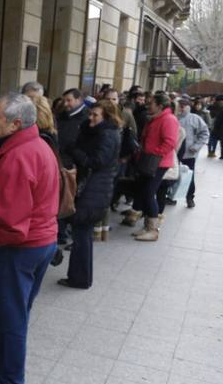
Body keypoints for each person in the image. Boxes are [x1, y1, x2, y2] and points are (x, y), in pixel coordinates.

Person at [0, 93, 59, 384]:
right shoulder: (31, 146)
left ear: (16, 123)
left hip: (17, 249)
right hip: (37, 242)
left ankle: (10, 382)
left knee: (10, 316)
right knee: (16, 312)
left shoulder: (19, 157)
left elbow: (10, 224)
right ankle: (7, 353)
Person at [59, 102, 120, 289]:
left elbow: (97, 162)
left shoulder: (108, 135)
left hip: (94, 190)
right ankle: (79, 277)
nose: (90, 118)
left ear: (106, 117)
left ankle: (80, 278)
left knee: (82, 234)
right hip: (91, 188)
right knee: (81, 234)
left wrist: (74, 151)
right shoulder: (95, 132)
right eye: (90, 114)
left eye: (95, 115)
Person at [121, 91, 178, 242]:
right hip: (148, 160)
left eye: (151, 103)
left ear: (160, 106)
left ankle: (153, 229)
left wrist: (153, 153)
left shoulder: (168, 119)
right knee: (143, 191)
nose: (147, 105)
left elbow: (170, 142)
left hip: (158, 162)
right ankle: (147, 226)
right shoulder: (153, 118)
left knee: (148, 192)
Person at [174, 97, 209, 209]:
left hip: (188, 153)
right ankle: (170, 196)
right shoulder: (172, 118)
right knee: (171, 175)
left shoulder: (195, 118)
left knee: (188, 176)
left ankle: (189, 197)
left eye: (183, 106)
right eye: (180, 106)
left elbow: (204, 133)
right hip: (173, 153)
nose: (181, 108)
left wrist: (196, 146)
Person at [55, 88, 89, 166]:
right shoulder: (61, 114)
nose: (65, 104)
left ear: (79, 99)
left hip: (75, 163)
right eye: (64, 101)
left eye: (69, 100)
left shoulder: (87, 117)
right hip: (61, 159)